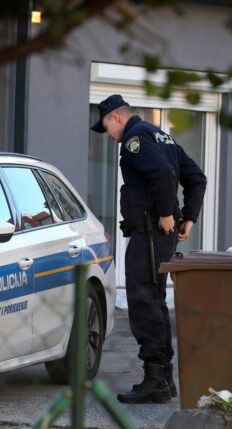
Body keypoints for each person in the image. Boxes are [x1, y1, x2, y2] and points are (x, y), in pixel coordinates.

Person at [90, 94, 207, 404]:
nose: (109, 136)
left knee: (144, 302)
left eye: (107, 127)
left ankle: (156, 379)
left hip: (151, 234)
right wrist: (189, 217)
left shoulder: (135, 139)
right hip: (159, 234)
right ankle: (164, 380)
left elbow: (163, 174)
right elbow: (197, 178)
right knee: (154, 302)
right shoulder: (161, 136)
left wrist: (168, 213)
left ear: (116, 117)